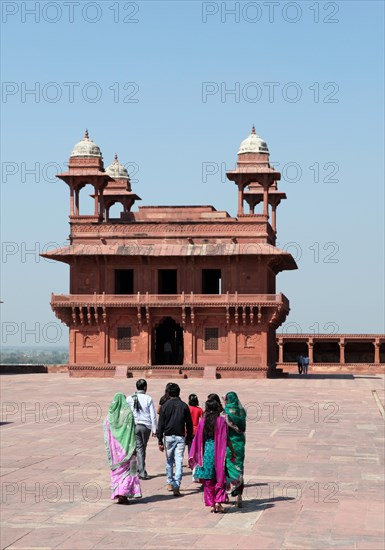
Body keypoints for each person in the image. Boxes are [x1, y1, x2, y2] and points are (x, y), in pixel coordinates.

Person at [189, 398, 234, 513]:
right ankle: (218, 501)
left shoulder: (203, 421)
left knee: (208, 480)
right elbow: (226, 438)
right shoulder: (222, 421)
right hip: (219, 452)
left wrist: (196, 454)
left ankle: (212, 504)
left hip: (206, 452)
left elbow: (198, 438)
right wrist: (232, 451)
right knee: (219, 477)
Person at [103, 392, 142, 504]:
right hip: (128, 449)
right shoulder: (128, 414)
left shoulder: (109, 417)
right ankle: (124, 494)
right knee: (131, 471)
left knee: (118, 472)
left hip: (115, 453)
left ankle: (119, 493)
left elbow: (107, 434)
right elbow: (131, 432)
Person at [157, 382, 193, 496]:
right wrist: (188, 437)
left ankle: (169, 482)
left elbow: (160, 424)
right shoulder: (184, 406)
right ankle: (177, 484)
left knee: (169, 461)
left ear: (169, 393)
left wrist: (159, 440)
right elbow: (189, 424)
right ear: (178, 393)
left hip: (168, 437)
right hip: (180, 436)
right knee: (178, 461)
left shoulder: (165, 406)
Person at [126, 379, 157, 480]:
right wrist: (154, 429)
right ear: (145, 388)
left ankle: (134, 471)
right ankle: (141, 471)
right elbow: (153, 415)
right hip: (145, 427)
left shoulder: (129, 398)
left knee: (136, 449)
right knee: (141, 449)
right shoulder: (148, 398)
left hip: (134, 426)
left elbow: (126, 413)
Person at [223, 391, 246, 508]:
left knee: (228, 468)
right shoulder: (241, 412)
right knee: (239, 468)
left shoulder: (225, 412)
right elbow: (243, 428)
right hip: (240, 444)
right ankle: (239, 496)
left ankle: (227, 493)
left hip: (229, 444)